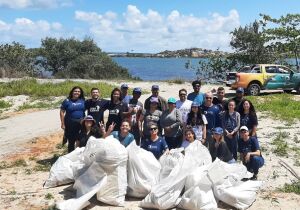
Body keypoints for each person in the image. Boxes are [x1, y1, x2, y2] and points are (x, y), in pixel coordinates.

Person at [60, 86, 85, 153]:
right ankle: (70, 155)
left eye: (79, 91)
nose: (77, 92)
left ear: (80, 93)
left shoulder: (83, 100)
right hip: (70, 123)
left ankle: (79, 154)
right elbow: (62, 112)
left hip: (81, 122)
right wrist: (62, 123)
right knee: (71, 141)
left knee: (80, 139)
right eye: (75, 91)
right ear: (72, 92)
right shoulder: (67, 101)